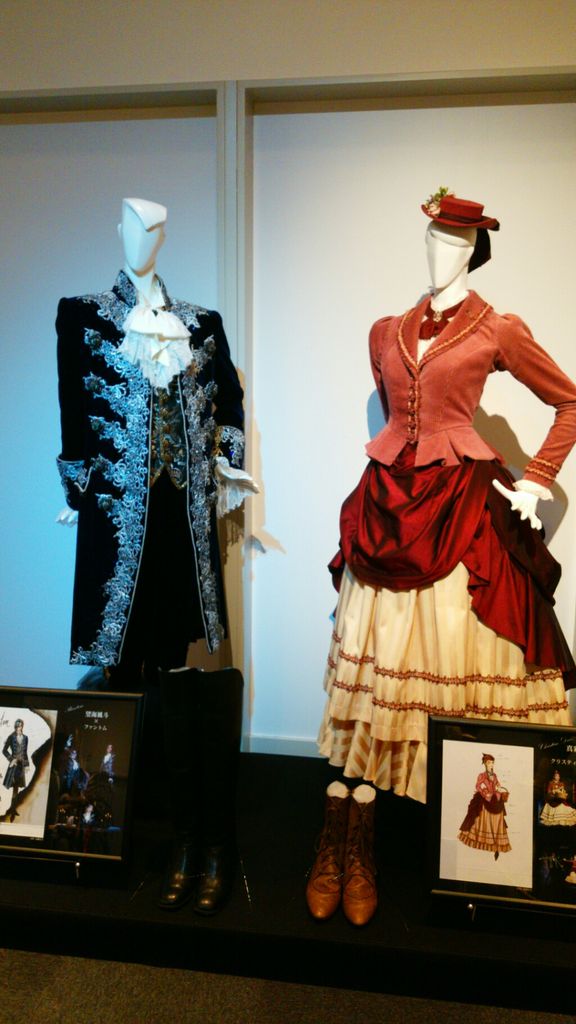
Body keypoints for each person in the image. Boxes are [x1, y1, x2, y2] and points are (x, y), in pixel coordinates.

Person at [308, 189, 576, 921]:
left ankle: (464, 839)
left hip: (461, 504)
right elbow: (400, 413)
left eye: (455, 241)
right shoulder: (385, 331)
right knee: (382, 657)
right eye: (432, 237)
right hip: (387, 504)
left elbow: (569, 402)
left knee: (454, 648)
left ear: (474, 250)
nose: (440, 252)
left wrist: (537, 478)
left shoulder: (499, 329)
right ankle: (354, 825)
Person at [56, 198, 256, 914]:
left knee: (178, 659)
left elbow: (229, 401)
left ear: (164, 235)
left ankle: (193, 836)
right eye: (132, 227)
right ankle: (109, 825)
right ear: (118, 233)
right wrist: (77, 489)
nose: (142, 238)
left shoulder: (201, 322)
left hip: (181, 518)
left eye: (154, 229)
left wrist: (229, 466)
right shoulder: (81, 315)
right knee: (120, 659)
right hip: (118, 517)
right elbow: (73, 411)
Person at [458, 753, 511, 858]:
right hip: (485, 798)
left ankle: (496, 843)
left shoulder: (494, 775)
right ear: (485, 763)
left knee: (499, 815)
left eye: (492, 763)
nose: (491, 764)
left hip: (495, 798)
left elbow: (497, 785)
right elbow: (478, 786)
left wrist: (499, 788)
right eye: (489, 762)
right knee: (480, 816)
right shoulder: (482, 775)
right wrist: (485, 793)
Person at [2, 719, 29, 822]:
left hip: (21, 766)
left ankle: (13, 809)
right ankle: (12, 809)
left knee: (16, 788)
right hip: (14, 766)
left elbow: (25, 752)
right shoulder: (11, 737)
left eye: (20, 726)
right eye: (17, 726)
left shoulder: (25, 738)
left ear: (22, 726)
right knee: (14, 787)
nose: (19, 728)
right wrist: (11, 759)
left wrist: (27, 765)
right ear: (15, 727)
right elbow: (4, 750)